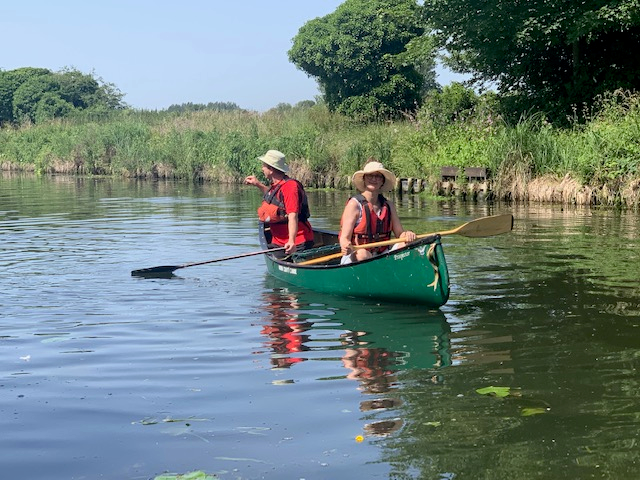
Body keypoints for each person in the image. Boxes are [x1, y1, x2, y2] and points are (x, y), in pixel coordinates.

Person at [339, 159, 416, 264]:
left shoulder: (389, 205)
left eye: (378, 176)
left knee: (405, 244)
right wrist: (346, 246)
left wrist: (407, 234)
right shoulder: (354, 205)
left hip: (382, 255)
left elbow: (400, 234)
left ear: (382, 181)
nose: (374, 179)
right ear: (364, 179)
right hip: (355, 256)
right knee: (363, 254)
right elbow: (344, 238)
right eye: (370, 175)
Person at [244, 150, 314, 256]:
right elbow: (273, 199)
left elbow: (293, 216)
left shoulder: (290, 187)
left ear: (271, 169)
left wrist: (291, 241)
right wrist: (258, 184)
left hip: (297, 243)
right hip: (278, 242)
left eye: (264, 166)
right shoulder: (277, 185)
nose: (262, 168)